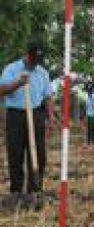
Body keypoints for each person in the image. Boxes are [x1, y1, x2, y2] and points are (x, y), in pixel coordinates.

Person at [0, 41, 58, 194]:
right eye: (33, 59)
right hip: (16, 115)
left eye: (38, 60)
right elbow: (2, 90)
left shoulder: (43, 73)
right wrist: (17, 83)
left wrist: (50, 116)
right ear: (27, 55)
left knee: (39, 153)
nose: (35, 64)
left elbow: (48, 96)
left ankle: (35, 189)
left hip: (36, 114)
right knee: (15, 153)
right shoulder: (11, 69)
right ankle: (17, 191)